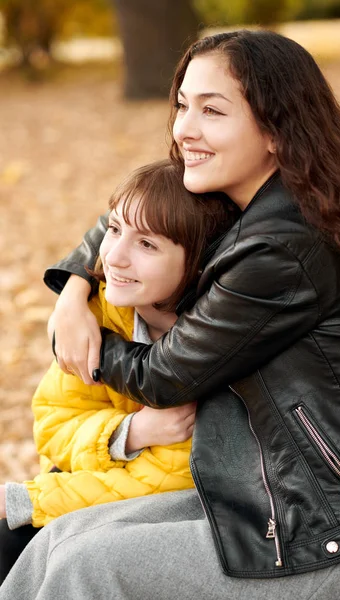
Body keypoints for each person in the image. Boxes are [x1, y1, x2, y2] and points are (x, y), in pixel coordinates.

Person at [1, 28, 340, 600]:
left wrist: (77, 345)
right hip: (269, 489)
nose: (185, 128)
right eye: (183, 104)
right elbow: (130, 216)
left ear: (276, 131)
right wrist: (72, 293)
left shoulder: (281, 248)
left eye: (213, 111)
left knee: (84, 567)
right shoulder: (252, 199)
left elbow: (165, 375)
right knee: (52, 544)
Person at [0, 159, 237, 585]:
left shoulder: (215, 346)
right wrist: (131, 431)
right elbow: (54, 424)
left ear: (199, 264)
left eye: (147, 245)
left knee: (44, 551)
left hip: (174, 506)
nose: (113, 257)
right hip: (101, 468)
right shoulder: (102, 310)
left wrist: (23, 498)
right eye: (113, 230)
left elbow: (165, 482)